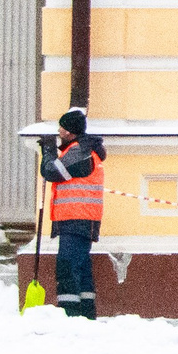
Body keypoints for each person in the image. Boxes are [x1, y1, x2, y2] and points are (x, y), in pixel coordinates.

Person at [39, 107, 106, 319]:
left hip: (77, 217)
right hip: (81, 217)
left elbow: (52, 171)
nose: (59, 131)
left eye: (62, 127)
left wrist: (48, 152)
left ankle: (70, 312)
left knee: (67, 265)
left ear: (70, 131)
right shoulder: (82, 150)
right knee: (81, 265)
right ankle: (86, 311)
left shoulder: (80, 151)